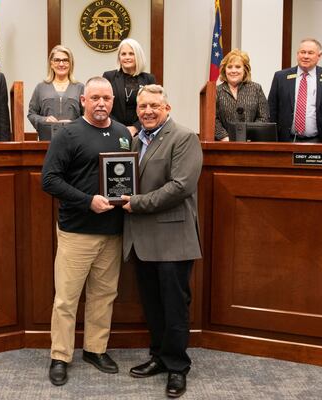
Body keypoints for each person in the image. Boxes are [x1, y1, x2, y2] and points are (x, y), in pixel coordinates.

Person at [41, 76, 132, 386]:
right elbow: (49, 180)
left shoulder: (122, 133)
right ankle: (60, 355)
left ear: (113, 101)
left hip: (112, 230)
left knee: (104, 295)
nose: (101, 103)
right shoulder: (67, 134)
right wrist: (86, 201)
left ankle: (95, 349)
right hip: (77, 231)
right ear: (83, 100)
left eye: (106, 98)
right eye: (95, 98)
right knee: (66, 299)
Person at [121, 84, 202, 398]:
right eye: (142, 107)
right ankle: (159, 356)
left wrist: (137, 203)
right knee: (153, 304)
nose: (148, 111)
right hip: (142, 238)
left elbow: (180, 186)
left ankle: (178, 367)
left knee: (174, 305)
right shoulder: (134, 139)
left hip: (172, 237)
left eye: (154, 105)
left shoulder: (183, 137)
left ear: (167, 108)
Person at [268, 38, 322, 143]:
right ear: (297, 54)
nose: (306, 56)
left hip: (319, 141)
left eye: (310, 53)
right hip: (286, 141)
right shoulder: (281, 77)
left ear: (319, 56)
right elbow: (272, 111)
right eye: (302, 52)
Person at [27, 45, 84, 138]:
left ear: (70, 64)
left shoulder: (80, 87)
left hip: (74, 138)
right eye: (57, 60)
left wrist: (74, 123)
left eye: (65, 60)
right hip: (47, 140)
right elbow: (31, 114)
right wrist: (44, 120)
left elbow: (87, 116)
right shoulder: (41, 87)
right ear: (51, 64)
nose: (61, 64)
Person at [103, 38, 156, 137]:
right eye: (123, 54)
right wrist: (120, 129)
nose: (127, 57)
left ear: (138, 56)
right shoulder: (109, 77)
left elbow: (153, 107)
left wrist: (136, 127)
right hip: (113, 130)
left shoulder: (149, 79)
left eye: (131, 54)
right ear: (119, 57)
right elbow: (104, 105)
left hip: (142, 131)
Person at [215, 49, 270, 141]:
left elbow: (263, 117)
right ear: (224, 70)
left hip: (251, 145)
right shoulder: (217, 91)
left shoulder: (256, 88)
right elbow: (213, 119)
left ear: (245, 69)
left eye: (237, 67)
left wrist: (250, 136)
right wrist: (225, 138)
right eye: (229, 67)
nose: (233, 70)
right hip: (223, 145)